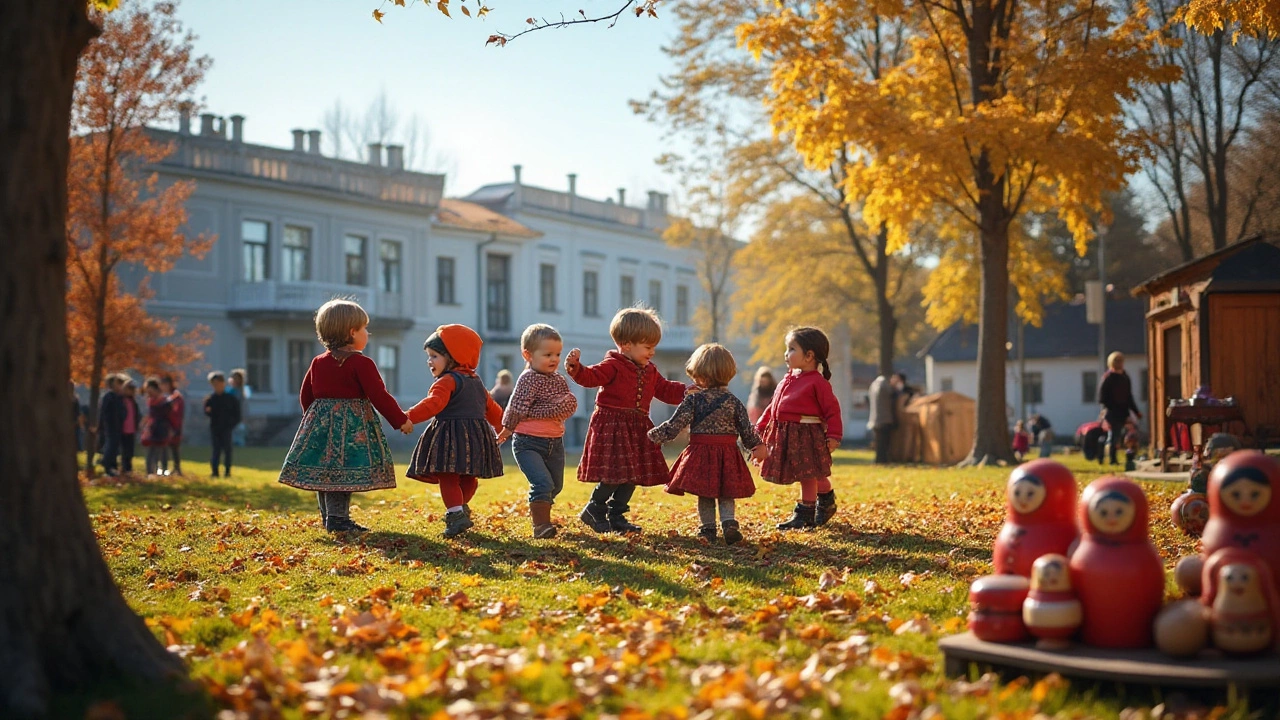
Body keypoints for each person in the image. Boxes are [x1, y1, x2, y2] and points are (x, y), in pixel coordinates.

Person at [279, 299, 412, 534]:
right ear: (352, 333)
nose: (367, 333)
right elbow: (379, 395)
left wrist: (312, 422)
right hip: (351, 429)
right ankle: (338, 520)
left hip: (320, 425)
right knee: (340, 473)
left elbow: (306, 394)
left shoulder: (318, 362)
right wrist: (400, 420)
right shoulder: (361, 363)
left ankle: (329, 517)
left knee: (325, 473)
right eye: (363, 329)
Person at [565, 306, 689, 534]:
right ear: (627, 345)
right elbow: (591, 376)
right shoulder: (612, 365)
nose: (652, 352)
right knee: (615, 472)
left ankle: (617, 515)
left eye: (654, 346)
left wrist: (685, 391)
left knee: (633, 473)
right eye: (648, 347)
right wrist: (577, 369)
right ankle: (594, 508)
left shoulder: (650, 370)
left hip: (637, 426)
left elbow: (664, 389)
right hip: (613, 425)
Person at [649, 344, 767, 545]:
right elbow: (746, 429)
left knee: (705, 492)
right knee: (726, 489)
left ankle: (707, 529)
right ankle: (729, 523)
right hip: (728, 453)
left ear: (700, 374)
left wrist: (653, 435)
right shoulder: (734, 402)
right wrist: (757, 445)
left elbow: (675, 424)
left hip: (701, 453)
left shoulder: (693, 400)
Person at [405, 324, 505, 539]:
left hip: (450, 436)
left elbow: (433, 404)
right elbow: (493, 410)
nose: (429, 361)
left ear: (453, 356)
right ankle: (460, 509)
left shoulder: (447, 381)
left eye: (434, 356)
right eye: (429, 356)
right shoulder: (476, 382)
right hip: (476, 438)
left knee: (448, 475)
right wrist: (505, 426)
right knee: (469, 477)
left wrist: (408, 417)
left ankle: (456, 514)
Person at [755, 327, 843, 530]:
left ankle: (805, 514)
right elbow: (773, 407)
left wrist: (834, 435)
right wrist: (760, 426)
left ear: (809, 356)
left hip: (807, 436)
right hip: (786, 435)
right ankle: (826, 499)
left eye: (792, 349)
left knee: (807, 475)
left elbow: (832, 411)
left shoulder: (817, 383)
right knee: (808, 472)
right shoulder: (787, 379)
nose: (786, 354)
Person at [497, 324, 579, 538]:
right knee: (542, 483)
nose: (554, 359)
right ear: (528, 354)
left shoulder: (559, 380)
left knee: (555, 486)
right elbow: (517, 406)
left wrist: (559, 407)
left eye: (558, 354)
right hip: (527, 442)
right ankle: (541, 526)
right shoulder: (528, 379)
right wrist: (507, 429)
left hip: (554, 442)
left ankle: (542, 512)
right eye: (548, 354)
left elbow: (567, 405)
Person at [1097, 352, 1143, 466]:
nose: (1119, 363)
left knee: (1130, 435)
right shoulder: (1108, 378)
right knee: (1114, 437)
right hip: (1112, 412)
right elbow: (1102, 398)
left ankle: (1131, 457)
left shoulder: (1125, 377)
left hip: (1124, 412)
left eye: (1120, 361)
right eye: (1116, 361)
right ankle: (1112, 459)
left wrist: (1136, 411)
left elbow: (1129, 396)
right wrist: (1109, 409)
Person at [204, 371, 241, 478]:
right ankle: (215, 471)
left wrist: (231, 425)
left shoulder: (230, 399)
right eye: (214, 384)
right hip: (215, 428)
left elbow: (237, 414)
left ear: (223, 383)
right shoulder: (211, 399)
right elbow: (207, 412)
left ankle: (227, 472)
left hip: (227, 428)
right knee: (216, 450)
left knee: (227, 450)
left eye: (218, 384)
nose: (216, 386)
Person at [140, 377, 172, 476]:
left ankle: (163, 472)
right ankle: (150, 472)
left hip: (162, 429)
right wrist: (143, 424)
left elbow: (170, 416)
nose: (148, 394)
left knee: (162, 451)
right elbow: (149, 415)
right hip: (152, 429)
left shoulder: (165, 401)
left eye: (149, 390)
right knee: (151, 452)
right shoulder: (151, 401)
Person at [98, 373, 125, 476]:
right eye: (118, 383)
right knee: (111, 445)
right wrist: (101, 425)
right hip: (110, 425)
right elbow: (103, 412)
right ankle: (107, 465)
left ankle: (113, 466)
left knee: (115, 446)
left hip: (117, 425)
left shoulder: (118, 397)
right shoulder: (108, 396)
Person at [867, 373, 897, 464]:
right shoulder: (883, 384)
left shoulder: (873, 385)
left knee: (879, 443)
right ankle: (882, 461)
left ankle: (879, 460)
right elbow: (892, 394)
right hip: (884, 419)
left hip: (874, 420)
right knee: (884, 444)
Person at [161, 374, 185, 476]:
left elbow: (176, 412)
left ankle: (176, 469)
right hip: (169, 425)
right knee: (169, 448)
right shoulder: (169, 396)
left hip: (173, 425)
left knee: (173, 447)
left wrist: (173, 427)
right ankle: (171, 469)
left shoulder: (175, 397)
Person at [119, 378, 140, 475]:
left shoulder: (133, 402)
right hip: (123, 429)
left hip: (131, 429)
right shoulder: (121, 401)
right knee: (124, 450)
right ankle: (124, 467)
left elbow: (136, 415)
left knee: (130, 450)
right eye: (129, 389)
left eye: (132, 390)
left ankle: (129, 467)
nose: (131, 391)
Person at [228, 368, 249, 446]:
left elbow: (243, 406)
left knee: (238, 436)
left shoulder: (241, 392)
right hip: (230, 417)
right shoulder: (230, 391)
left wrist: (243, 418)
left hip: (238, 417)